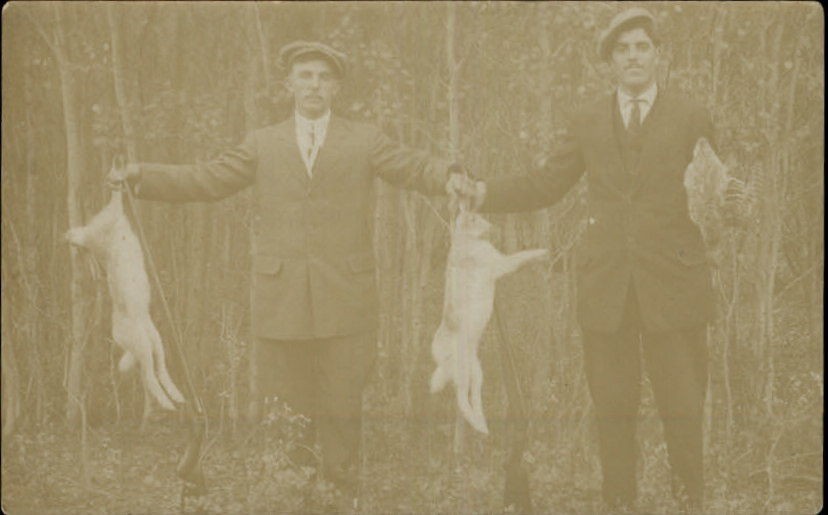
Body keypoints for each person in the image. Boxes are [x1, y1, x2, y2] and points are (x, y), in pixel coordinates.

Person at [111, 40, 462, 510]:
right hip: (280, 298)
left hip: (347, 295)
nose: (314, 85)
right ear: (289, 85)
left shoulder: (365, 139)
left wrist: (451, 176)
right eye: (305, 76)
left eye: (323, 77)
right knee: (288, 405)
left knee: (341, 404)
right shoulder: (262, 142)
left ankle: (341, 497)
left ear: (335, 87)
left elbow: (413, 166)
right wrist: (141, 176)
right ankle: (294, 495)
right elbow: (206, 178)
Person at [449, 7, 746, 511]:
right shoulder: (587, 120)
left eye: (642, 47)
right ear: (610, 61)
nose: (633, 57)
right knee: (613, 412)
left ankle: (690, 504)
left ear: (658, 56)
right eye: (622, 50)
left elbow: (716, 196)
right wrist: (482, 192)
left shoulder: (692, 115)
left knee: (682, 409)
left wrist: (735, 205)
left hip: (675, 287)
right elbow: (545, 183)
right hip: (606, 292)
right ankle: (620, 505)